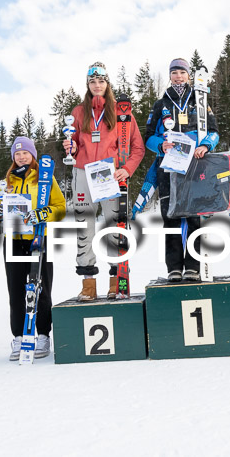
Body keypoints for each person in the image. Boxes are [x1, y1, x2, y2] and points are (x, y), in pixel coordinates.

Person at [62, 62, 145, 300]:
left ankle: (115, 281)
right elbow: (74, 144)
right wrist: (71, 146)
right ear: (87, 85)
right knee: (84, 227)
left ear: (107, 83)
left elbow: (137, 147)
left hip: (109, 174)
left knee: (113, 226)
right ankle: (88, 284)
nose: (97, 86)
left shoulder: (121, 111)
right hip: (82, 173)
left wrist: (127, 170)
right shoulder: (78, 112)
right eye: (92, 82)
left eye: (101, 81)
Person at [144, 57, 219, 282]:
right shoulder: (161, 104)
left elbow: (214, 131)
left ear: (189, 75)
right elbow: (148, 136)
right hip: (167, 167)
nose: (178, 76)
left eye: (182, 72)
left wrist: (206, 145)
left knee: (195, 217)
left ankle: (193, 266)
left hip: (194, 165)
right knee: (170, 217)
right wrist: (161, 145)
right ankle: (174, 267)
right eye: (174, 72)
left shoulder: (200, 100)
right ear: (170, 75)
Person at [0, 137, 66, 360]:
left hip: (39, 237)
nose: (21, 156)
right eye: (17, 154)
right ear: (13, 157)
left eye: (25, 153)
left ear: (33, 155)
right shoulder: (8, 182)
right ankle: (19, 337)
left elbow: (60, 208)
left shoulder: (44, 178)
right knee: (15, 290)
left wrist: (42, 214)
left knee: (41, 288)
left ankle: (43, 334)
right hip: (14, 239)